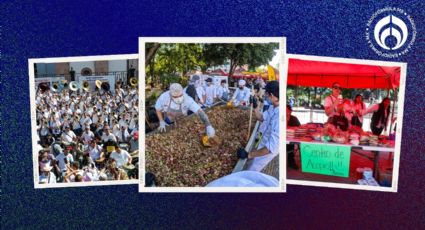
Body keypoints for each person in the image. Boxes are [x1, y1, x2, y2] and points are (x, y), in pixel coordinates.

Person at [237, 81, 279, 171]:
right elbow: (261, 118)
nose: (266, 97)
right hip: (261, 140)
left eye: (267, 94)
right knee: (250, 163)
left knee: (252, 169)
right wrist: (255, 107)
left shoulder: (279, 115)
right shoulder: (272, 107)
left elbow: (271, 147)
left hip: (266, 151)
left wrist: (249, 155)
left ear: (271, 95)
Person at [286, 105, 301, 170]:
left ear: (290, 111)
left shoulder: (294, 119)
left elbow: (300, 129)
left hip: (291, 140)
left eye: (287, 110)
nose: (286, 112)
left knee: (290, 146)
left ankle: (291, 162)